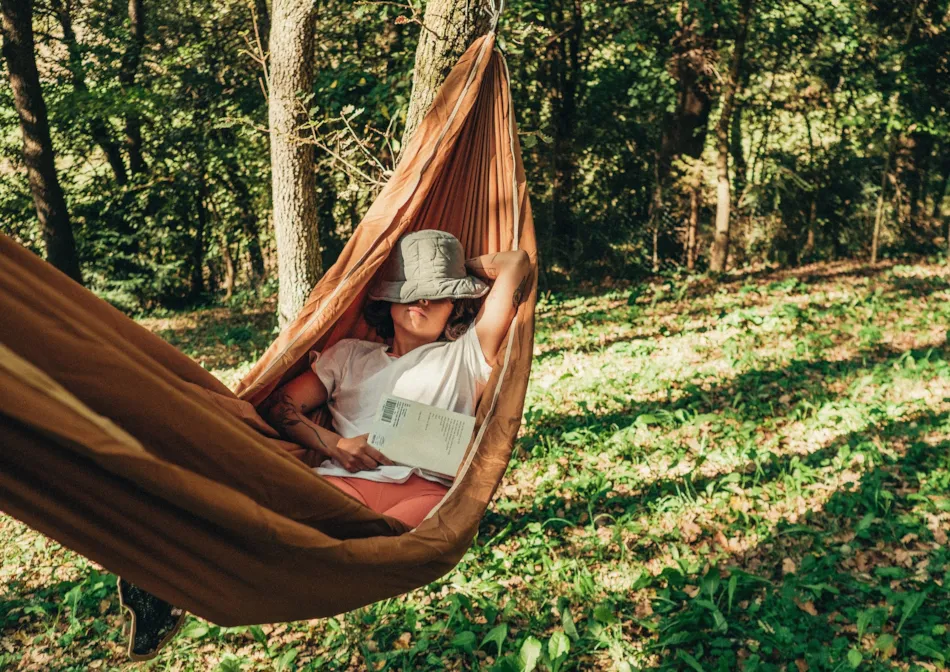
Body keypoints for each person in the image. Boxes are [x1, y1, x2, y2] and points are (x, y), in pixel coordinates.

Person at [261, 229, 530, 528]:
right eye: (410, 289)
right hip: (344, 482)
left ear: (456, 305)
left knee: (381, 546)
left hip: (425, 494)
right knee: (282, 521)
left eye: (437, 292)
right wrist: (337, 445)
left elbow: (515, 263)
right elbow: (278, 405)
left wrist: (457, 268)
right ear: (389, 300)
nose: (423, 299)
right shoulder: (348, 355)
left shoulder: (466, 354)